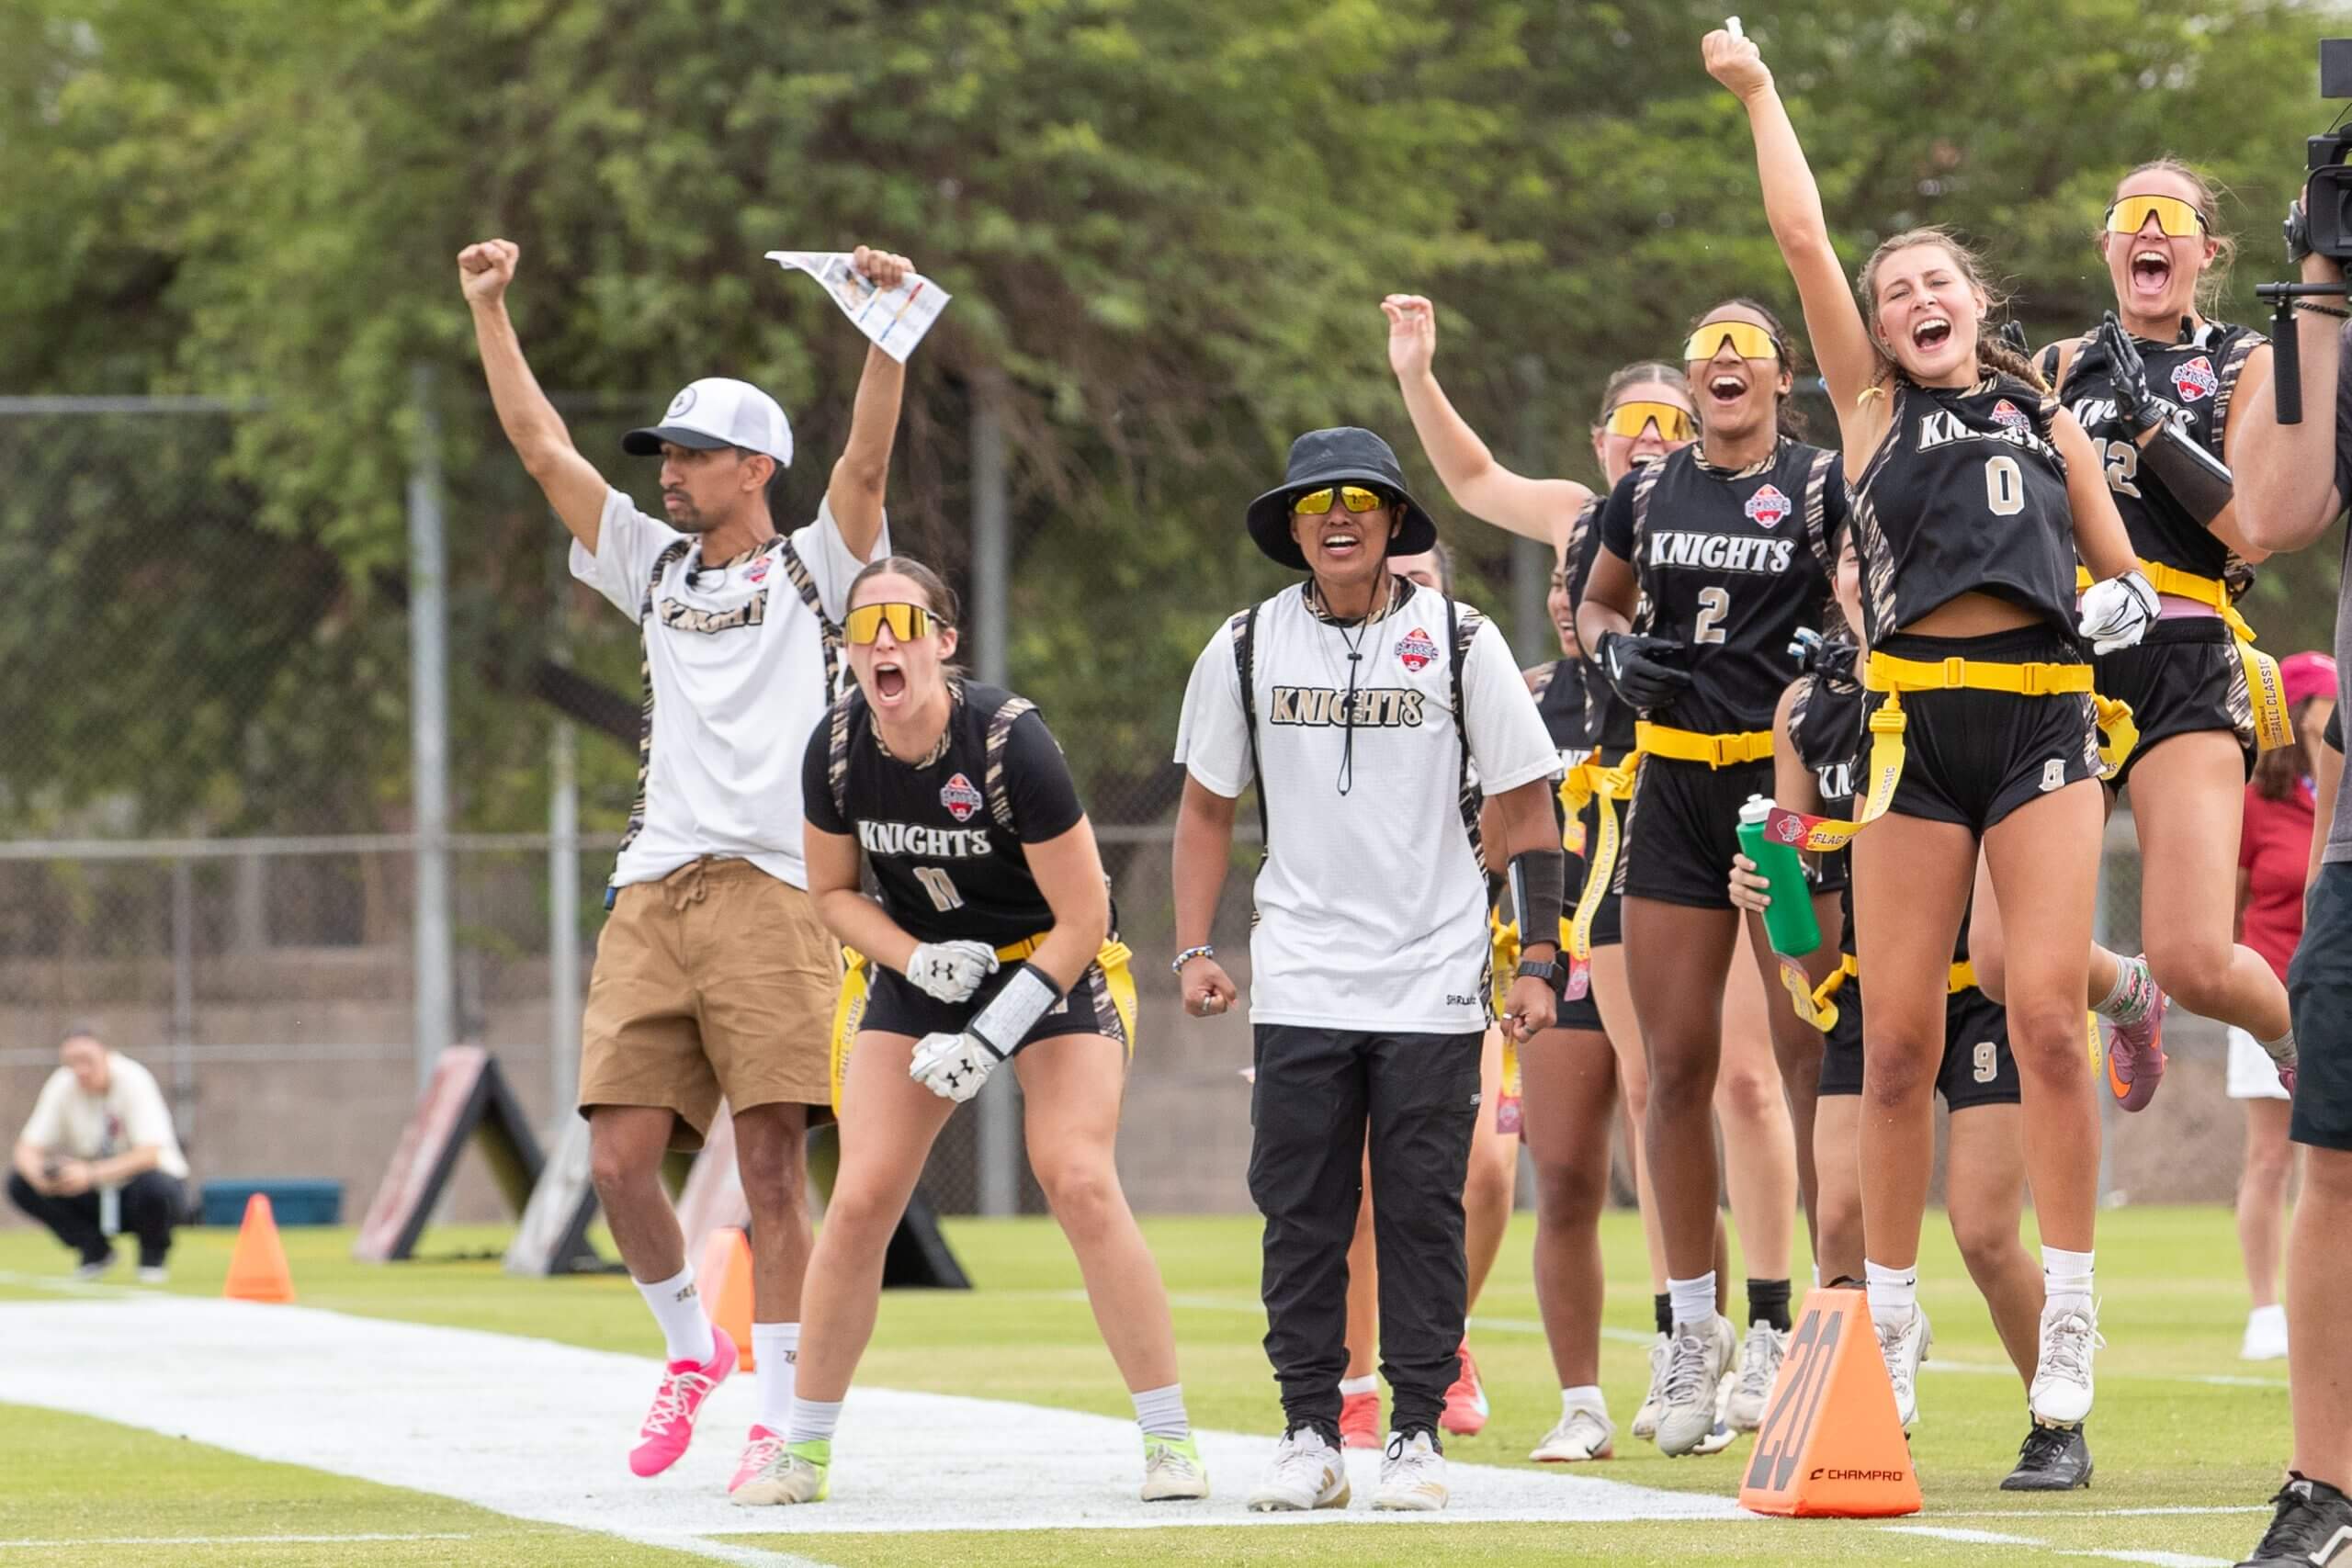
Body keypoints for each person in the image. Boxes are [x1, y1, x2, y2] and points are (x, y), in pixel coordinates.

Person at [1707, 22, 2154, 1472]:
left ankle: (2071, 1310)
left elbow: (2125, 578)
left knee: (2039, 1015)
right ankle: (1887, 1330)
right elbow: (1799, 232)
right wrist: (1762, 89)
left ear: (1979, 300)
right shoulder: (1865, 410)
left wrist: (2118, 594)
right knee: (1891, 1043)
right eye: (1896, 290)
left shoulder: (2041, 411)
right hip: (1907, 726)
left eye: (1935, 281)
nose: (1911, 297)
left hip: (2038, 717)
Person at [458, 237, 908, 1488]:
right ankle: (689, 1346)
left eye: (695, 455)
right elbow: (545, 449)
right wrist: (489, 307)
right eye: (664, 454)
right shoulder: (649, 564)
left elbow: (866, 459)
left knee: (769, 1157)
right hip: (654, 884)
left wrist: (882, 324)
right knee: (614, 1156)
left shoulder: (816, 567)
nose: (670, 473)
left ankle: (781, 1412)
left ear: (757, 466)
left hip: (776, 885)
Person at [1383, 299, 1768, 1455]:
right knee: (1598, 1128)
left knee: (1710, 1086)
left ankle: (1751, 1325)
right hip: (1597, 830)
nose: (1647, 440)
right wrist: (1416, 370)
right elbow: (1470, 473)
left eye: (1668, 415)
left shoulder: (1728, 500)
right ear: (1601, 440)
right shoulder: (1583, 516)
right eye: (1628, 422)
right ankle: (1633, 1367)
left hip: (1708, 798)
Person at [749, 558, 1204, 1506]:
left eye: (902, 622)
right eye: (862, 623)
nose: (882, 641)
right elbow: (832, 894)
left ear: (943, 643)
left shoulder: (1008, 744)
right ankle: (803, 1452)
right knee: (863, 1196)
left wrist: (990, 1036)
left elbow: (1085, 919)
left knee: (1074, 1176)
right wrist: (913, 963)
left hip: (1048, 961)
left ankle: (1170, 1441)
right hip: (921, 969)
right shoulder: (834, 747)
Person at [1171, 427, 1563, 1512]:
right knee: (1299, 1209)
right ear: (1291, 527)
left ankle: (1417, 1438)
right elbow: (1208, 806)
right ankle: (1308, 1432)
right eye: (1314, 503)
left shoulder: (1461, 636)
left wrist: (1539, 956)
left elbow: (1528, 806)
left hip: (1435, 972)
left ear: (1394, 523)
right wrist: (1194, 945)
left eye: (1359, 500)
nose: (1336, 518)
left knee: (1421, 1207)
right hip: (1299, 970)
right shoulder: (1245, 646)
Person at [1571, 293, 1842, 1457]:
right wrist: (1612, 650)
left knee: (1799, 1052)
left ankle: (1818, 1322)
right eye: (1706, 350)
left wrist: (1842, 657)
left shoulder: (1824, 483)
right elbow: (1593, 601)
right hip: (1673, 787)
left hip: (1779, 792)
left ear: (1782, 374)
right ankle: (1692, 1325)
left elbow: (1863, 600)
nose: (1723, 363)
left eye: (1745, 349)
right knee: (1671, 1070)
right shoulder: (1645, 487)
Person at [1734, 537, 2065, 1487]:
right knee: (1836, 1217)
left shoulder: (1970, 672)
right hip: (1876, 995)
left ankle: (2055, 1414)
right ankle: (1862, 1417)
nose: (1860, 570)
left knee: (1983, 1231)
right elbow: (1811, 905)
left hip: (1977, 992)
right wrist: (1773, 887)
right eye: (1846, 555)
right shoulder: (1805, 705)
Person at [2035, 160, 2296, 1111]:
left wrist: (2151, 429)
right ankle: (2124, 992)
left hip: (2186, 654)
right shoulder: (2059, 366)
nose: (2147, 231)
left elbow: (2253, 526)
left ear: (2204, 251)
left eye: (2168, 217)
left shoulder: (2241, 361)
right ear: (2107, 245)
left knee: (2195, 956)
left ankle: (2295, 1038)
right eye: (2128, 217)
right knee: (1998, 954)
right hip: (2066, 663)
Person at [1332, 541, 1520, 1447]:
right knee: (1363, 1181)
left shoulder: (1480, 680)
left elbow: (1528, 827)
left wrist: (1541, 956)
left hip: (1465, 963)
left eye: (1418, 578)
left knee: (1485, 1170)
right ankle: (1358, 1382)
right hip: (1348, 967)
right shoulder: (1333, 699)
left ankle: (1442, 1340)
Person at [2227, 221, 2352, 1553]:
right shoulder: (2338, 340)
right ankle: (2327, 1483)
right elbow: (2262, 509)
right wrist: (2320, 282)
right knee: (2336, 1158)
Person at [2231, 653, 2334, 1362]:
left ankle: (2323, 1302)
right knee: (2269, 1158)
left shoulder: (2340, 789)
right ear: (2298, 713)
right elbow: (2228, 904)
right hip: (2269, 991)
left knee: (2331, 1160)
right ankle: (2266, 1309)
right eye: (2327, 700)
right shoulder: (2254, 802)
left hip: (2334, 991)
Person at [7, 1031, 189, 1283]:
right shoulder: (63, 1084)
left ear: (107, 1055)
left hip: (138, 1193)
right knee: (19, 1183)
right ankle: (94, 1248)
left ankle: (152, 1257)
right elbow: (26, 1148)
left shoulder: (133, 1079)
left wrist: (92, 1173)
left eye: (86, 1060)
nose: (80, 1070)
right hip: (95, 1191)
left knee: (155, 1186)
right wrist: (41, 1178)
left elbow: (150, 1153)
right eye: (72, 1062)